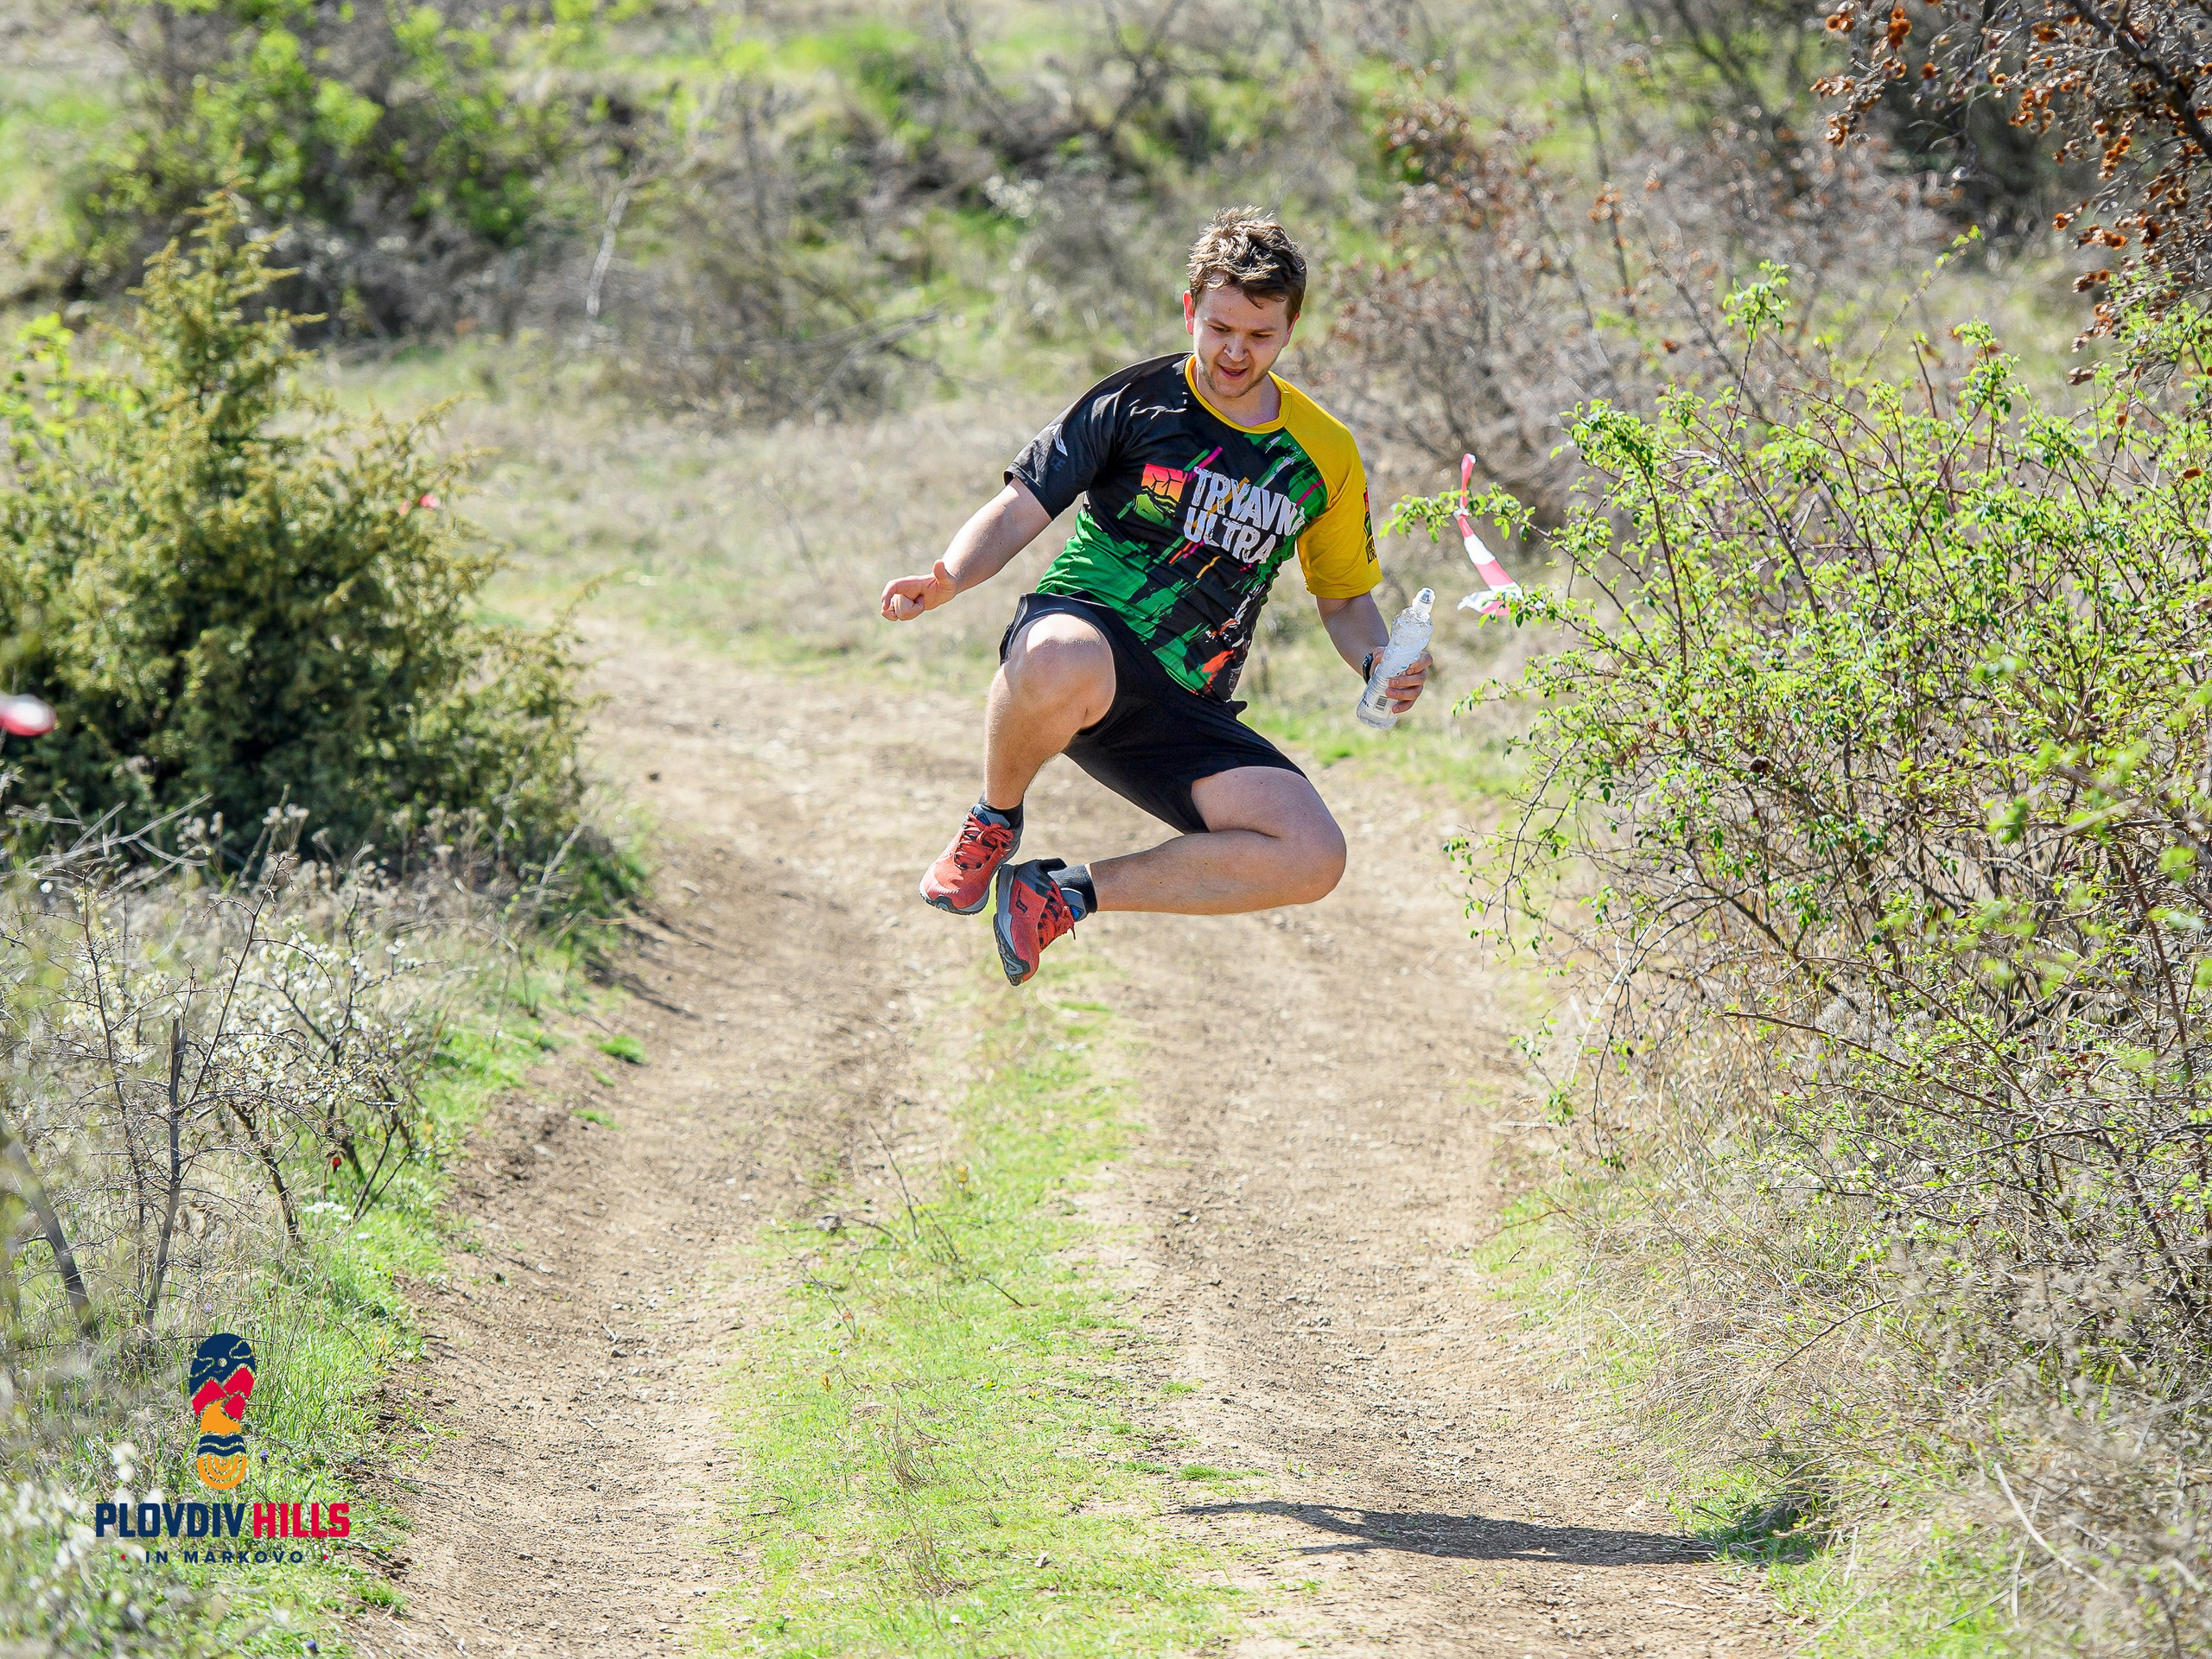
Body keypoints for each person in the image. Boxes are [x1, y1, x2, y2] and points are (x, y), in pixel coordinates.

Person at [878, 208, 1432, 986]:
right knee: (1060, 655)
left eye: (1261, 336)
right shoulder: (1136, 400)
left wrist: (1378, 660)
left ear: (1291, 329)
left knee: (1313, 855)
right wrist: (946, 576)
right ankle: (995, 818)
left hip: (1186, 703)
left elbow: (1343, 602)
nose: (1236, 351)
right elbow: (1021, 505)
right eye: (1220, 327)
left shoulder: (1323, 452)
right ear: (1189, 312)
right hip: (1086, 640)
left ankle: (1061, 894)